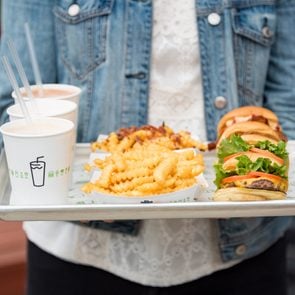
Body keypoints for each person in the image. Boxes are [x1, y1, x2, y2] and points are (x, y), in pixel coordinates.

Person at [0, 0, 295, 294]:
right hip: (78, 254)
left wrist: (263, 180)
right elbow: (16, 105)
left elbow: (288, 101)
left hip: (244, 251)